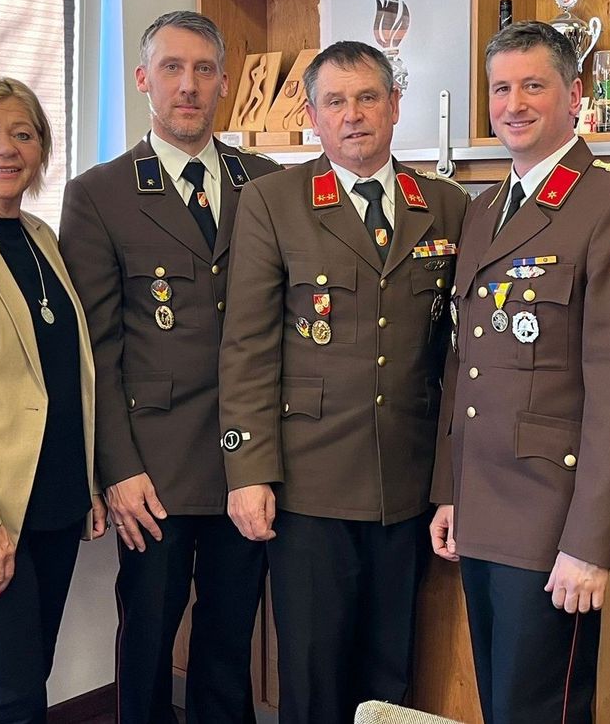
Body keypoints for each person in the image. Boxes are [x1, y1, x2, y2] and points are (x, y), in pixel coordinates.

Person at [428, 21, 610, 724]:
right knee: (502, 704)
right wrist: (450, 492)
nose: (513, 104)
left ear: (574, 94)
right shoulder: (483, 209)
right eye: (500, 88)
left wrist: (591, 541)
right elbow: (465, 361)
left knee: (543, 710)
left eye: (533, 86)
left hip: (553, 520)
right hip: (483, 507)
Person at [219, 40, 468, 724]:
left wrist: (450, 480)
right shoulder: (274, 201)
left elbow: (457, 355)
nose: (352, 115)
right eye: (335, 102)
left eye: (367, 98)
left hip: (406, 483)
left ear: (395, 105)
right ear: (312, 116)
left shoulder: (445, 204)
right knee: (314, 676)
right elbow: (247, 347)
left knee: (390, 676)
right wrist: (248, 471)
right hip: (310, 485)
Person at [59, 11, 280, 724]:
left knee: (230, 637)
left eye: (203, 70)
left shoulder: (266, 183)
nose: (188, 85)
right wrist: (117, 469)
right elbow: (95, 349)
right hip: (151, 468)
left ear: (223, 81)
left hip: (246, 461)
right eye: (172, 68)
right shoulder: (99, 193)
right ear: (143, 79)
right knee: (149, 637)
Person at [0, 75, 106, 723]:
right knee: (11, 697)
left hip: (51, 503)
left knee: (29, 678)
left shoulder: (40, 237)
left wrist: (87, 483)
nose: (7, 148)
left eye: (23, 134)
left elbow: (64, 374)